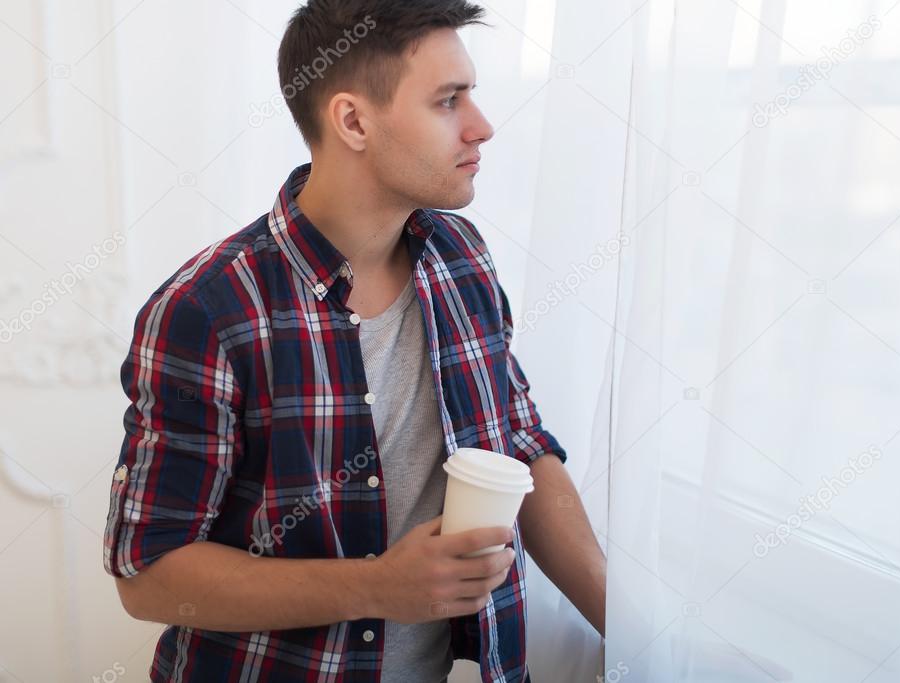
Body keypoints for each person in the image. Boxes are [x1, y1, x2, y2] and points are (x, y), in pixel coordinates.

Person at [102, 1, 606, 681]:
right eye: (448, 101)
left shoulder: (459, 257)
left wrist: (645, 632)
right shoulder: (207, 308)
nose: (481, 127)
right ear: (352, 120)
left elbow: (517, 444)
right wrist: (375, 585)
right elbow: (150, 572)